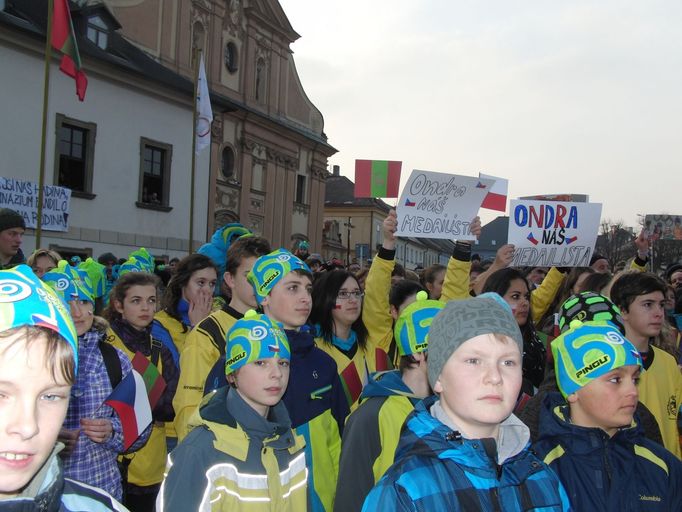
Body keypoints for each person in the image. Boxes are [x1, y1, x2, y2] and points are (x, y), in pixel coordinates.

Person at [362, 294, 570, 510]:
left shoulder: (543, 479)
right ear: (439, 376)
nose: (495, 376)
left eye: (508, 362)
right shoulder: (404, 491)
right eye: (473, 361)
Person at [0, 265, 127, 510]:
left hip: (102, 481)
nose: (28, 426)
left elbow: (139, 423)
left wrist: (112, 431)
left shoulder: (116, 360)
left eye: (51, 396)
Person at [157, 311, 307, 511]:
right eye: (260, 363)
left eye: (283, 363)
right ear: (232, 374)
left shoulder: (290, 441)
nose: (277, 374)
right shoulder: (200, 452)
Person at [533, 320, 682, 510]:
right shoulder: (541, 468)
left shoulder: (662, 466)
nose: (633, 391)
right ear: (573, 391)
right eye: (615, 379)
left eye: (635, 379)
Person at [248, 249, 348, 512]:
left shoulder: (324, 363)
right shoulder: (242, 362)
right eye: (292, 288)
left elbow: (338, 440)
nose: (305, 298)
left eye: (307, 288)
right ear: (265, 297)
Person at [42, 263, 150, 500]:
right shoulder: (28, 360)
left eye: (83, 302)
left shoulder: (115, 359)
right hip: (44, 497)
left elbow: (141, 428)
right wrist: (46, 440)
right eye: (66, 302)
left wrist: (113, 430)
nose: (77, 312)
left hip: (102, 494)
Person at [334, 291, 443, 512]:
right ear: (417, 354)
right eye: (445, 351)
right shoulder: (370, 416)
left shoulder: (448, 407)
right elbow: (351, 498)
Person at [174, 236, 271, 440]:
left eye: (264, 277)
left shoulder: (272, 327)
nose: (258, 285)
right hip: (222, 447)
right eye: (249, 276)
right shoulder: (207, 333)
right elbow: (188, 405)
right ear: (230, 279)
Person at [104, 271, 179, 511]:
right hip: (112, 461)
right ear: (119, 305)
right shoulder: (105, 344)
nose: (145, 307)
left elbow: (170, 405)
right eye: (136, 301)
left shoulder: (160, 349)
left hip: (152, 464)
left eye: (151, 300)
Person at [610, 272, 682, 458]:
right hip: (630, 471)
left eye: (661, 305)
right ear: (622, 311)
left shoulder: (668, 361)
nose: (659, 313)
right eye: (648, 305)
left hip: (669, 472)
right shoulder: (607, 364)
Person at [309, 269, 390, 412]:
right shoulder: (313, 349)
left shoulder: (372, 347)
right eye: (343, 294)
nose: (353, 300)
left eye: (356, 293)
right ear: (326, 298)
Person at [482, 267, 546, 390]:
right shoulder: (480, 344)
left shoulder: (534, 337)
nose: (525, 303)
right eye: (516, 297)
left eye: (526, 296)